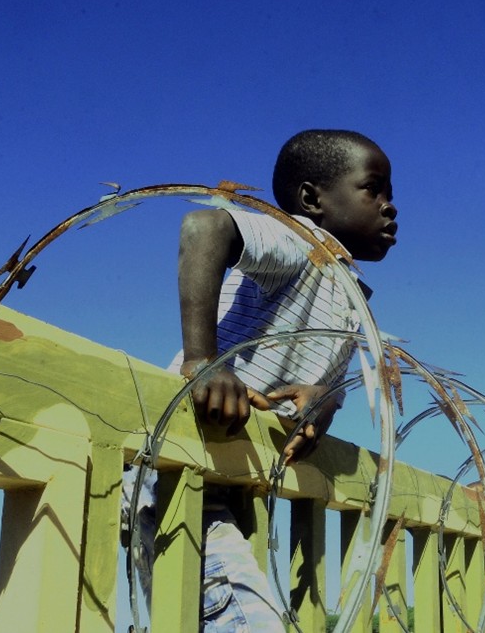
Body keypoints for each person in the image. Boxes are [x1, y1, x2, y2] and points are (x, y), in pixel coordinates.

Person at [122, 129, 398, 632]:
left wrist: (324, 402)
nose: (389, 206)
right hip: (178, 466)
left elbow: (320, 383)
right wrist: (205, 362)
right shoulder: (304, 242)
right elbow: (204, 228)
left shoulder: (350, 294)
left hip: (229, 477)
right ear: (312, 199)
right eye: (373, 188)